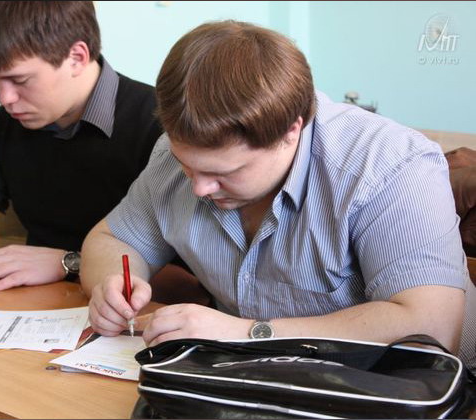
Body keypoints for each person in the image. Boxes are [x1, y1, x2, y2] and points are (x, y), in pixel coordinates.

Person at [81, 20, 476, 370]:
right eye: (189, 166)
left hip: (419, 389)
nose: (199, 188)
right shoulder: (172, 156)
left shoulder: (389, 166)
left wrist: (247, 333)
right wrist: (113, 284)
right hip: (264, 379)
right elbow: (111, 239)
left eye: (225, 173)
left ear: (292, 130)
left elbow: (430, 328)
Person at [0, 1, 184, 293]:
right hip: (31, 311)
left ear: (76, 57)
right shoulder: (4, 126)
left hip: (137, 318)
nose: (4, 98)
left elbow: (192, 284)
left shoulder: (164, 130)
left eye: (20, 80)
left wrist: (68, 263)